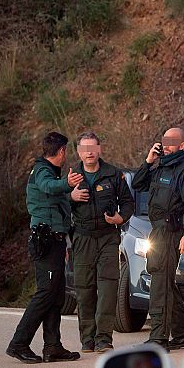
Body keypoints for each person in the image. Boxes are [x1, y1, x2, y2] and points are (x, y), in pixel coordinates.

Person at [7, 132, 83, 364]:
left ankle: (53, 346)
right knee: (45, 293)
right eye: (66, 151)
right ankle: (18, 343)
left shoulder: (51, 172)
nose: (66, 155)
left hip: (56, 240)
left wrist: (71, 195)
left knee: (56, 295)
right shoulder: (42, 171)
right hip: (46, 241)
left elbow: (55, 201)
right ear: (61, 151)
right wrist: (66, 184)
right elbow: (48, 187)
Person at [131, 127, 184, 350]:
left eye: (172, 142)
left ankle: (158, 338)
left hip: (172, 233)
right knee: (165, 285)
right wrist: (148, 161)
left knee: (160, 285)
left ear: (182, 146)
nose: (167, 145)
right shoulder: (159, 167)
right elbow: (137, 184)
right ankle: (183, 334)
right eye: (165, 141)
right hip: (157, 232)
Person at [69, 131, 135, 353]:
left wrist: (120, 218)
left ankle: (103, 339)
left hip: (108, 238)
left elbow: (128, 203)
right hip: (83, 238)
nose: (89, 152)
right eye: (84, 148)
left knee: (107, 288)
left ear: (99, 150)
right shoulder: (71, 177)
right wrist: (71, 197)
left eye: (93, 148)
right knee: (84, 289)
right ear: (78, 152)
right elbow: (58, 205)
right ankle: (87, 339)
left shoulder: (113, 175)